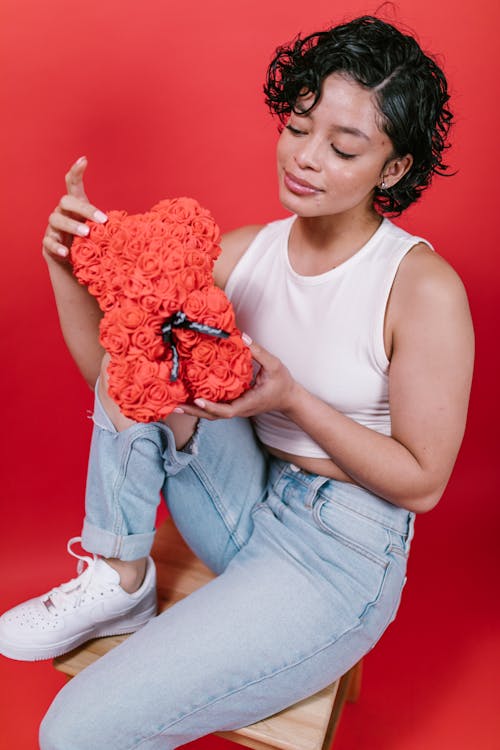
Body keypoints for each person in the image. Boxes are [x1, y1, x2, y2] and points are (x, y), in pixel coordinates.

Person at [0, 15, 474, 750]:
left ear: (392, 170)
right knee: (148, 357)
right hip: (239, 503)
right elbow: (115, 385)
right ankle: (118, 581)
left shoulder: (421, 286)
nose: (306, 158)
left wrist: (290, 399)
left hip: (339, 552)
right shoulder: (246, 253)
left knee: (73, 733)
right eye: (298, 127)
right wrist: (67, 267)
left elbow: (422, 484)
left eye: (343, 147)